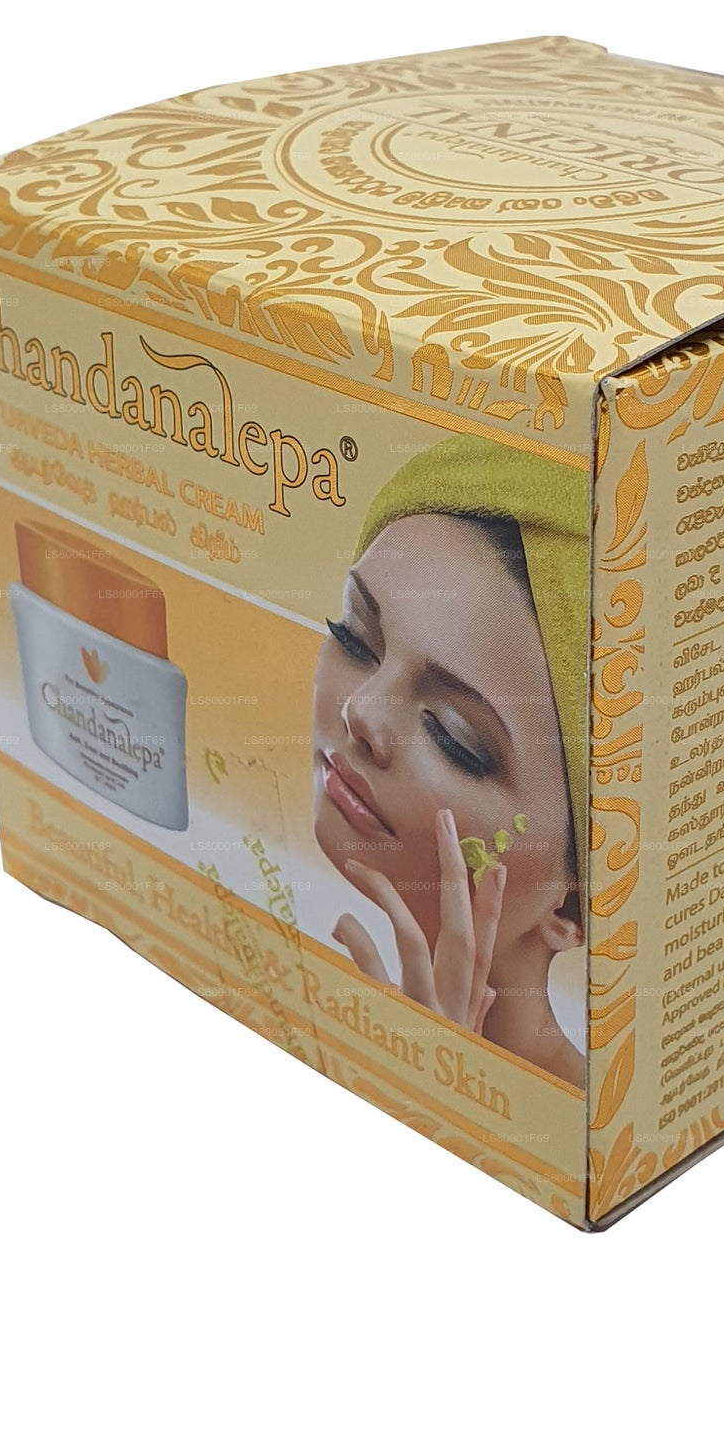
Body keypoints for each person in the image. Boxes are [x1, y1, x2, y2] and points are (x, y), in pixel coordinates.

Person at [311, 434, 588, 1089]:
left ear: (572, 910)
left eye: (454, 737)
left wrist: (443, 1087)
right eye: (357, 639)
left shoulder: (582, 1117)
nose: (362, 712)